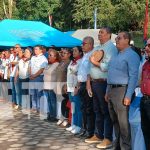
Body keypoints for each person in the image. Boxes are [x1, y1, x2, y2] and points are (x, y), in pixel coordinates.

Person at [106, 32, 140, 150]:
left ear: (127, 40)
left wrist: (128, 95)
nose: (116, 40)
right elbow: (110, 73)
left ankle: (126, 147)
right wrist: (107, 91)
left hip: (123, 91)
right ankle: (118, 146)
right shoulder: (116, 54)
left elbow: (133, 76)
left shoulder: (132, 55)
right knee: (115, 121)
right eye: (116, 38)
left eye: (119, 38)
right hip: (112, 90)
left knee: (124, 123)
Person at [85, 27, 118, 149]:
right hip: (94, 83)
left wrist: (95, 63)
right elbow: (90, 67)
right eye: (99, 33)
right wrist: (88, 82)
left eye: (102, 33)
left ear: (109, 35)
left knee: (106, 111)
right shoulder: (98, 48)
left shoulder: (112, 49)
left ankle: (107, 138)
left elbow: (110, 66)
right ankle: (98, 135)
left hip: (104, 83)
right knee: (97, 110)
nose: (99, 35)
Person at [75, 36, 95, 138]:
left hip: (89, 84)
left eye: (84, 44)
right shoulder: (85, 56)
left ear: (90, 45)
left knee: (89, 109)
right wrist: (77, 86)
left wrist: (87, 85)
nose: (82, 46)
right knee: (83, 108)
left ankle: (90, 131)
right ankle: (84, 128)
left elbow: (90, 72)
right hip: (82, 84)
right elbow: (81, 72)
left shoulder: (93, 55)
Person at [66, 46, 83, 134]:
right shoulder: (72, 62)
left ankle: (79, 126)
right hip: (70, 87)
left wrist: (77, 87)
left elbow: (80, 76)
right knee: (73, 107)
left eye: (76, 51)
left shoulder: (80, 62)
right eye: (73, 51)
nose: (74, 52)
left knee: (78, 108)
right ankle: (73, 124)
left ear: (80, 52)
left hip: (76, 87)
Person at [29, 45, 48, 113]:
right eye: (34, 49)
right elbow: (30, 66)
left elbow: (42, 69)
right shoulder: (33, 57)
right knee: (33, 93)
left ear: (41, 50)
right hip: (32, 77)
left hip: (39, 77)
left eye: (36, 49)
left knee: (38, 93)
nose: (35, 50)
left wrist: (34, 75)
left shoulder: (43, 58)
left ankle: (39, 107)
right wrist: (30, 74)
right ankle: (34, 107)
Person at [55, 48, 71, 127]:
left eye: (65, 53)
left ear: (69, 54)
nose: (62, 54)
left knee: (65, 103)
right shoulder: (61, 62)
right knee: (61, 102)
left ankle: (66, 118)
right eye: (62, 53)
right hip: (58, 85)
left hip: (64, 86)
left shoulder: (69, 63)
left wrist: (66, 85)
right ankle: (61, 117)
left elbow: (69, 75)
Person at [43, 49, 60, 122]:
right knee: (49, 102)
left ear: (55, 57)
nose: (48, 56)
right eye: (48, 55)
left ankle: (54, 116)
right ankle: (50, 115)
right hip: (46, 86)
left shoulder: (57, 64)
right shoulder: (48, 64)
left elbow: (58, 76)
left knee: (53, 102)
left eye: (50, 55)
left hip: (52, 86)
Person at [140, 39, 150, 150]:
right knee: (146, 131)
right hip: (144, 100)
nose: (146, 48)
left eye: (149, 46)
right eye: (146, 45)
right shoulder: (146, 63)